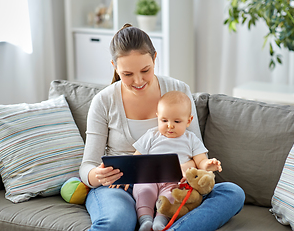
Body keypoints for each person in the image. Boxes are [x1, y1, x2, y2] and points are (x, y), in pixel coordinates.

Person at [79, 23, 245, 231]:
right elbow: (87, 166)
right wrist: (97, 175)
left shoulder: (178, 90)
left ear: (155, 58)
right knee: (116, 222)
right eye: (127, 74)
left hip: (175, 186)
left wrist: (191, 170)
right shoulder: (103, 101)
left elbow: (195, 148)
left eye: (145, 70)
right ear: (114, 66)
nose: (138, 81)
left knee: (233, 192)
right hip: (121, 188)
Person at [132, 90, 222, 231]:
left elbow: (201, 161)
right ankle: (145, 220)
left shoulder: (191, 139)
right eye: (164, 120)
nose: (170, 125)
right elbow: (135, 159)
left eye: (177, 121)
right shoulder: (151, 135)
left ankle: (160, 221)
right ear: (157, 117)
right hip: (149, 177)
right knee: (145, 191)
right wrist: (126, 174)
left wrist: (208, 164)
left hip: (175, 181)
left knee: (172, 196)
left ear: (189, 121)